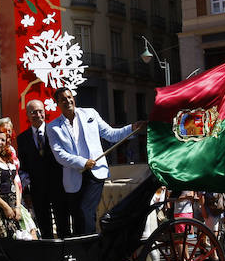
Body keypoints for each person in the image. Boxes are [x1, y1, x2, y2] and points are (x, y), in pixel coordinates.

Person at [46, 87, 144, 235]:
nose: (68, 101)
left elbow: (111, 134)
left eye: (69, 97)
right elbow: (59, 155)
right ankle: (81, 251)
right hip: (73, 178)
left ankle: (90, 248)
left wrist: (132, 128)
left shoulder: (90, 113)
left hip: (96, 173)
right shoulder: (53, 127)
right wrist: (83, 162)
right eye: (63, 99)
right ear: (57, 104)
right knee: (78, 216)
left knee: (85, 210)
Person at [17, 99, 68, 239]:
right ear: (27, 115)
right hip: (38, 189)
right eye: (33, 112)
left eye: (40, 111)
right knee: (44, 226)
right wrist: (27, 191)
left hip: (59, 186)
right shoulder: (22, 139)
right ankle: (48, 253)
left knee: (63, 223)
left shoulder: (56, 132)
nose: (38, 114)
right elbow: (23, 167)